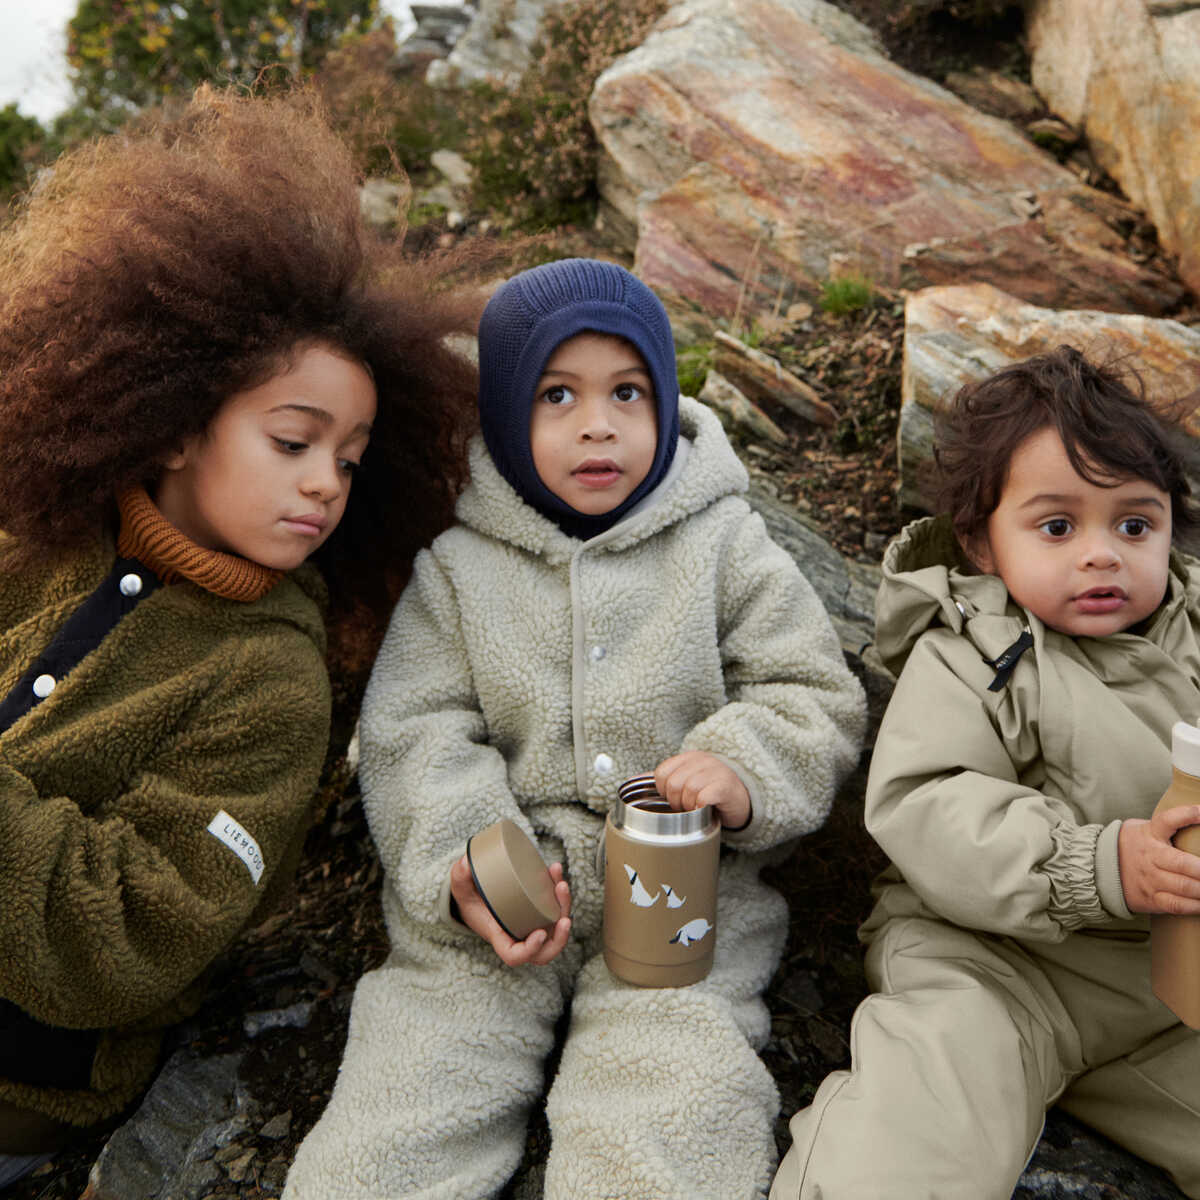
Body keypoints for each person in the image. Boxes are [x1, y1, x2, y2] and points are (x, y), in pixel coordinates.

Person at [284, 257, 867, 1199]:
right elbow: (414, 728)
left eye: (627, 392)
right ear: (507, 417)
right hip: (507, 903)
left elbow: (812, 686)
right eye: (558, 394)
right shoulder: (460, 567)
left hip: (685, 899)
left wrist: (742, 764)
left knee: (674, 1096)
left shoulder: (723, 543)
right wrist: (466, 850)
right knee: (413, 1087)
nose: (598, 422)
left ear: (665, 401)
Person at [0, 87, 479, 1186]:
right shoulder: (38, 545)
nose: (325, 483)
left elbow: (125, 941)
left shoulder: (269, 685)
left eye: (350, 459)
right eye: (294, 440)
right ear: (171, 421)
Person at [771, 345, 1200, 1199]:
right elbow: (928, 802)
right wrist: (1102, 863)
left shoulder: (1189, 637)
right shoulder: (971, 651)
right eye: (1056, 526)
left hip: (1164, 990)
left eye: (1134, 524)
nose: (1103, 554)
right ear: (982, 544)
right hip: (994, 965)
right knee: (921, 1136)